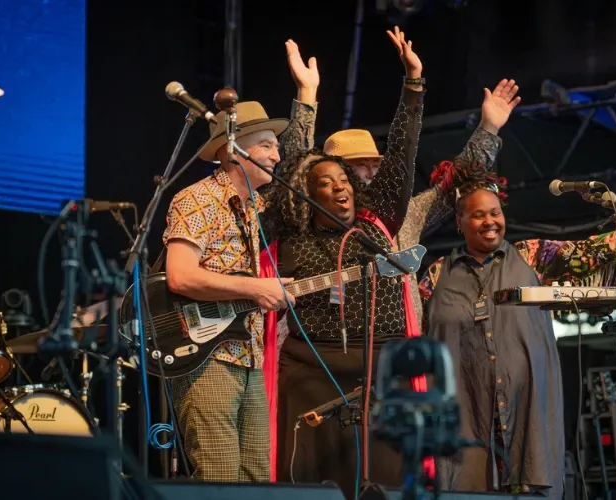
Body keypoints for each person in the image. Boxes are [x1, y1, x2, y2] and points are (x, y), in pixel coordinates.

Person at [418, 162, 616, 496]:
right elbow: (413, 336)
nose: (490, 222)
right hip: (464, 410)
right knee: (464, 487)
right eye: (478, 215)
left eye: (495, 213)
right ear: (460, 222)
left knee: (529, 476)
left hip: (524, 404)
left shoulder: (531, 256)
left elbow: (589, 253)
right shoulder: (435, 276)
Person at [258, 26, 423, 498]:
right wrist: (306, 97)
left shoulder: (379, 220)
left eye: (345, 180)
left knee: (387, 485)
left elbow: (402, 157)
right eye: (326, 183)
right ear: (306, 197)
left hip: (384, 370)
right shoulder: (293, 232)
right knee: (316, 487)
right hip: (312, 372)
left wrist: (413, 85)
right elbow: (291, 165)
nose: (341, 187)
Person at [160, 40, 319, 482]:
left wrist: (307, 96)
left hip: (247, 358)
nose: (276, 154)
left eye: (275, 145)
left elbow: (297, 168)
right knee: (219, 478)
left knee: (255, 480)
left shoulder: (256, 209)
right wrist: (256, 288)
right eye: (266, 145)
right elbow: (180, 275)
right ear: (234, 150)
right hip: (206, 357)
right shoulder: (197, 198)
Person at [323, 79, 520, 326]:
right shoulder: (315, 225)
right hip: (338, 347)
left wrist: (488, 128)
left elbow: (449, 188)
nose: (372, 173)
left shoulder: (403, 216)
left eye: (376, 165)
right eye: (361, 166)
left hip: (401, 347)